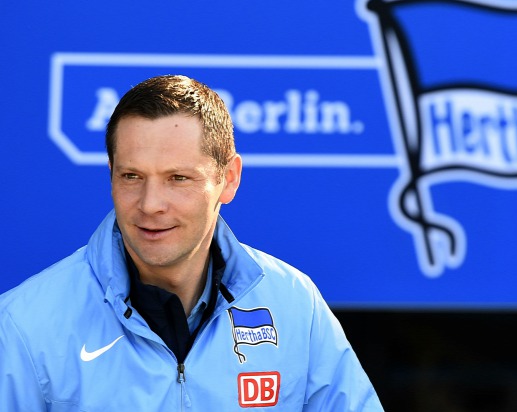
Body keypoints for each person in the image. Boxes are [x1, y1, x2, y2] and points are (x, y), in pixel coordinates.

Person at [0, 75, 383, 411]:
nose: (150, 204)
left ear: (228, 179)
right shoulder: (25, 322)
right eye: (132, 176)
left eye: (178, 178)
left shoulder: (295, 305)